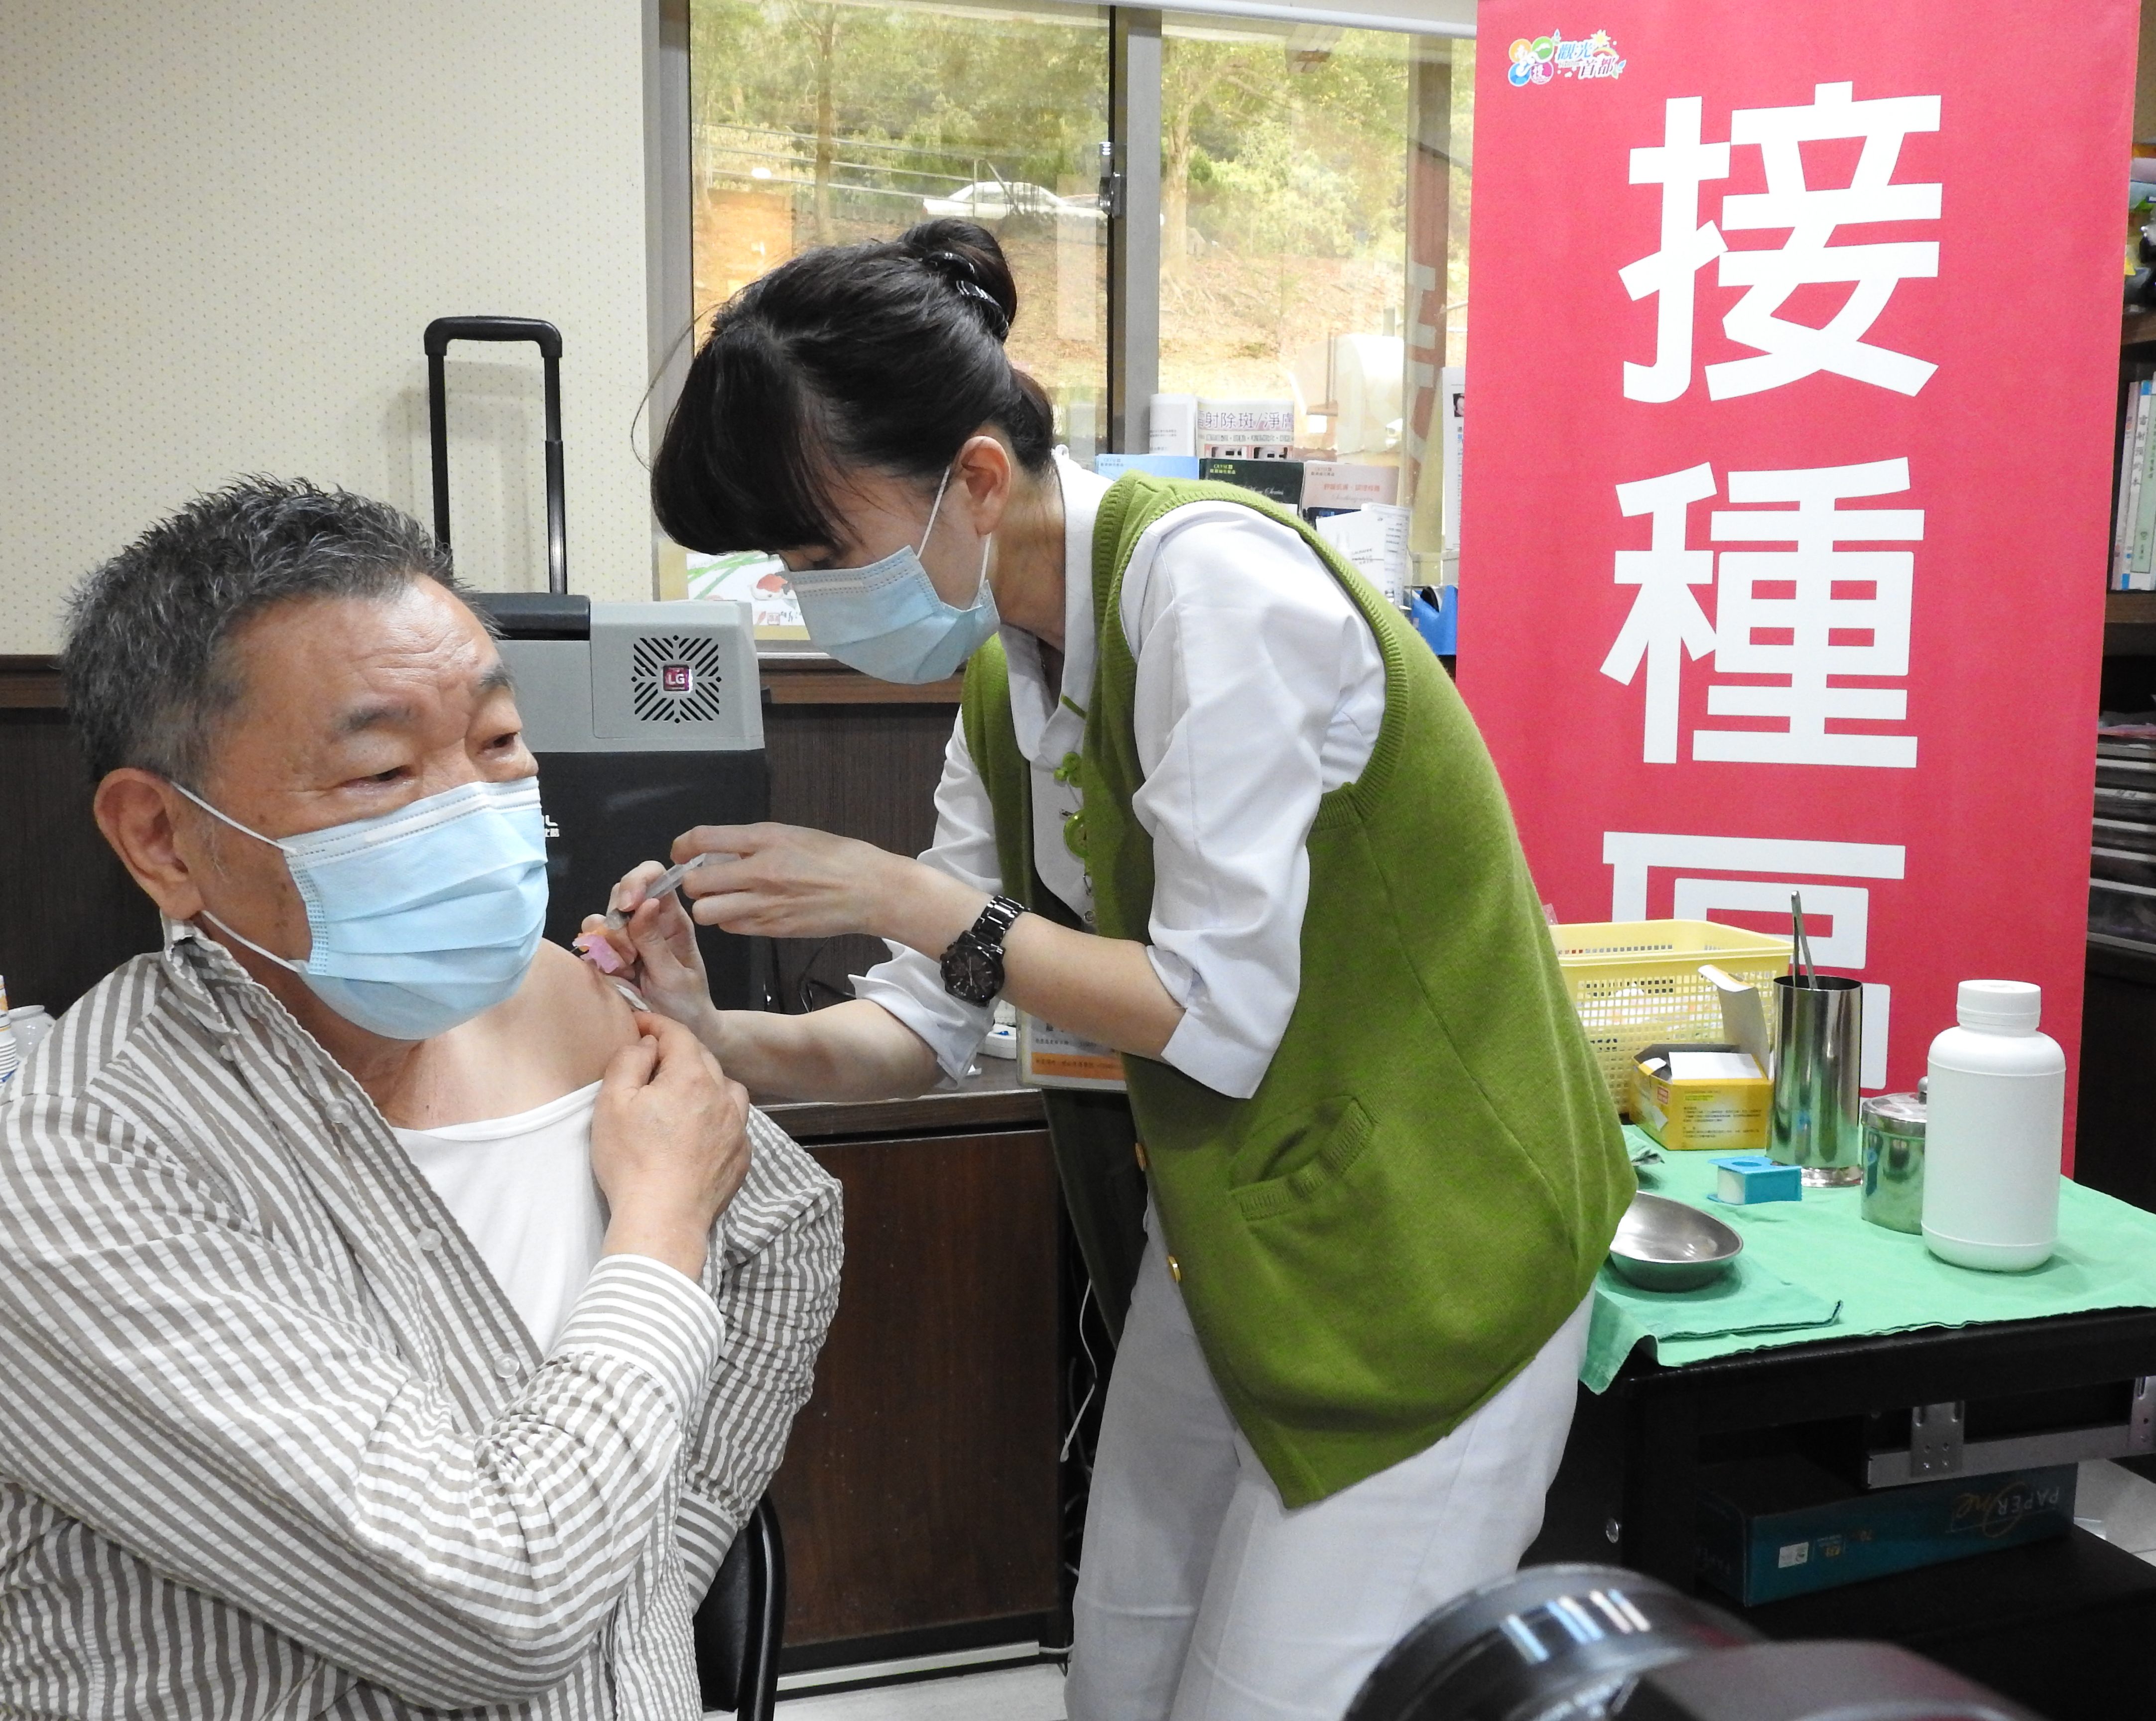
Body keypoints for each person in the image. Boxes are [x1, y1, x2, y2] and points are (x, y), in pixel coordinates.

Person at [599, 218, 1632, 1721]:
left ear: (974, 479)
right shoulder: (998, 667)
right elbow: (924, 1027)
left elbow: (1211, 1018)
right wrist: (711, 1037)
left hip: (1433, 1240)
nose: (804, 589)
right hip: (1243, 1233)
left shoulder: (1214, 589)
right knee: (1126, 1670)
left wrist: (905, 895)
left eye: (817, 549)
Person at [0, 479, 843, 1718]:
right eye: (384, 771)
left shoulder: (560, 999)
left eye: (498, 745)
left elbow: (782, 1239)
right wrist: (657, 1229)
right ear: (164, 841)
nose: (476, 810)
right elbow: (497, 1610)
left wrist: (638, 1595)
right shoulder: (79, 1169)